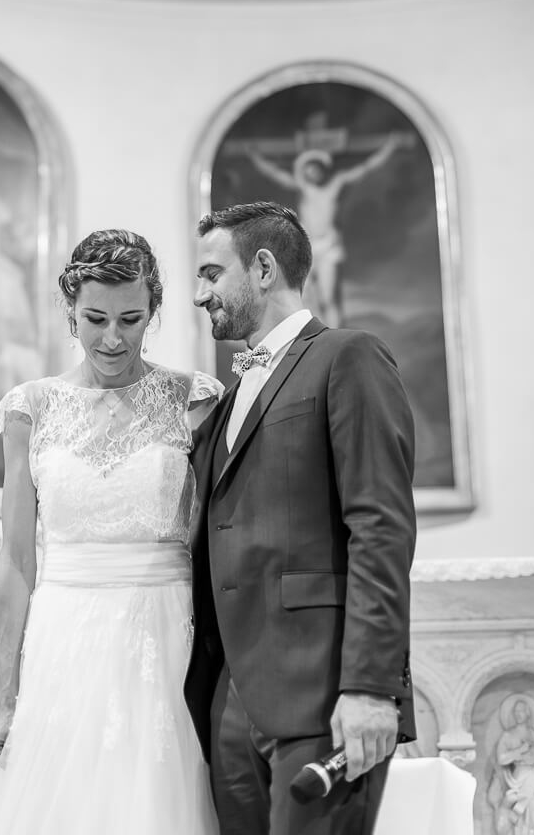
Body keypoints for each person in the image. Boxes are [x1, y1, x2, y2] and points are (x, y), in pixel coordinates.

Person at [0, 229, 222, 835]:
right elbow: (16, 560)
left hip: (165, 636)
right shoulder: (30, 409)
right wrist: (6, 700)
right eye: (95, 319)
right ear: (71, 310)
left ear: (153, 312)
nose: (113, 338)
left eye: (131, 319)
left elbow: (216, 540)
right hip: (63, 640)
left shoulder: (193, 400)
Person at [186, 201, 417, 835]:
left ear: (263, 268)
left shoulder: (348, 357)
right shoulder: (227, 399)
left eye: (211, 274)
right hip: (230, 700)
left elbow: (380, 527)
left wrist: (371, 687)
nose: (199, 294)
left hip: (322, 692)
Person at [247, 134, 403, 327]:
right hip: (307, 246)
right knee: (303, 296)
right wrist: (255, 157)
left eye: (316, 170)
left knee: (328, 298)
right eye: (309, 171)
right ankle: (310, 334)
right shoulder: (304, 187)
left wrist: (388, 148)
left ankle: (333, 335)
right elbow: (275, 174)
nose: (313, 174)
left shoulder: (335, 184)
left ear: (322, 169)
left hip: (328, 246)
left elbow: (365, 168)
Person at [490, 695, 534, 835]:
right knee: (520, 819)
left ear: (528, 713)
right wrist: (519, 751)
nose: (518, 714)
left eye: (521, 711)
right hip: (518, 780)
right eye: (516, 712)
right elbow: (501, 759)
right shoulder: (507, 735)